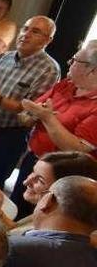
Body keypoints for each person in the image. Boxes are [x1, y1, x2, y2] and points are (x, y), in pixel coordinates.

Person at [0, 16, 60, 189]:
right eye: (25, 29)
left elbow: (31, 111)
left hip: (7, 137)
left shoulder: (49, 69)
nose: (26, 34)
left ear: (48, 40)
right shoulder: (5, 57)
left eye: (35, 31)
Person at [11, 43, 97, 215]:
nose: (68, 62)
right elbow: (28, 111)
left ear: (92, 70)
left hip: (62, 176)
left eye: (75, 60)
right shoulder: (65, 84)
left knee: (43, 215)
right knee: (17, 205)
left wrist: (47, 118)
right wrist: (30, 116)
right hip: (35, 161)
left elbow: (78, 149)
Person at [0, 151, 97, 235]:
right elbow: (16, 231)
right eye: (32, 172)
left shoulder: (54, 232)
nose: (26, 182)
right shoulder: (47, 213)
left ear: (66, 190)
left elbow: (10, 242)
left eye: (39, 180)